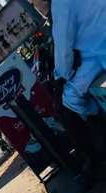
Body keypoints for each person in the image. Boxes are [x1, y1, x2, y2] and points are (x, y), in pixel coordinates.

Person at [45, 0, 106, 175]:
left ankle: (93, 158)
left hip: (99, 56)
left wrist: (59, 79)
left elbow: (64, 49)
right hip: (96, 50)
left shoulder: (60, 4)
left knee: (67, 101)